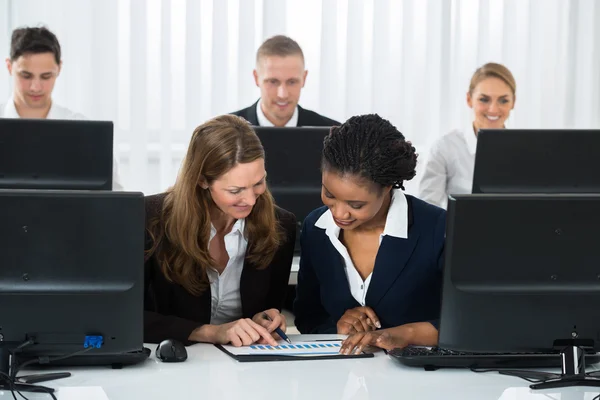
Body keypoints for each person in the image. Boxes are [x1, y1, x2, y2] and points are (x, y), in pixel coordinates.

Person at [293, 114, 445, 354]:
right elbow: (308, 316)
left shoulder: (438, 229)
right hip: (341, 382)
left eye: (356, 205)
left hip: (420, 382)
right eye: (329, 195)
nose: (339, 213)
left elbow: (476, 321)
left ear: (387, 188)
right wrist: (337, 327)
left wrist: (405, 334)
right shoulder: (316, 227)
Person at [144, 114, 296, 347]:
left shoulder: (281, 225)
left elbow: (269, 305)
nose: (250, 200)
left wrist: (264, 319)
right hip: (170, 365)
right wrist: (210, 332)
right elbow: (125, 316)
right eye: (235, 190)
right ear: (203, 180)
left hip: (244, 367)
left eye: (258, 183)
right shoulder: (150, 219)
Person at [1, 26, 123, 190]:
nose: (35, 87)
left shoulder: (85, 133)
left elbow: (114, 198)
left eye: (46, 76)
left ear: (59, 68)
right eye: (26, 75)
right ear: (9, 67)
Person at [418, 62, 517, 208]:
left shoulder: (525, 150)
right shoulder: (445, 148)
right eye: (484, 99)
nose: (493, 109)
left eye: (503, 100)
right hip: (462, 230)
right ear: (469, 99)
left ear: (513, 102)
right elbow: (427, 207)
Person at [231, 35, 340, 127]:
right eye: (273, 82)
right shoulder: (222, 134)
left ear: (304, 78)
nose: (282, 94)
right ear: (256, 78)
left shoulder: (335, 136)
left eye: (292, 82)